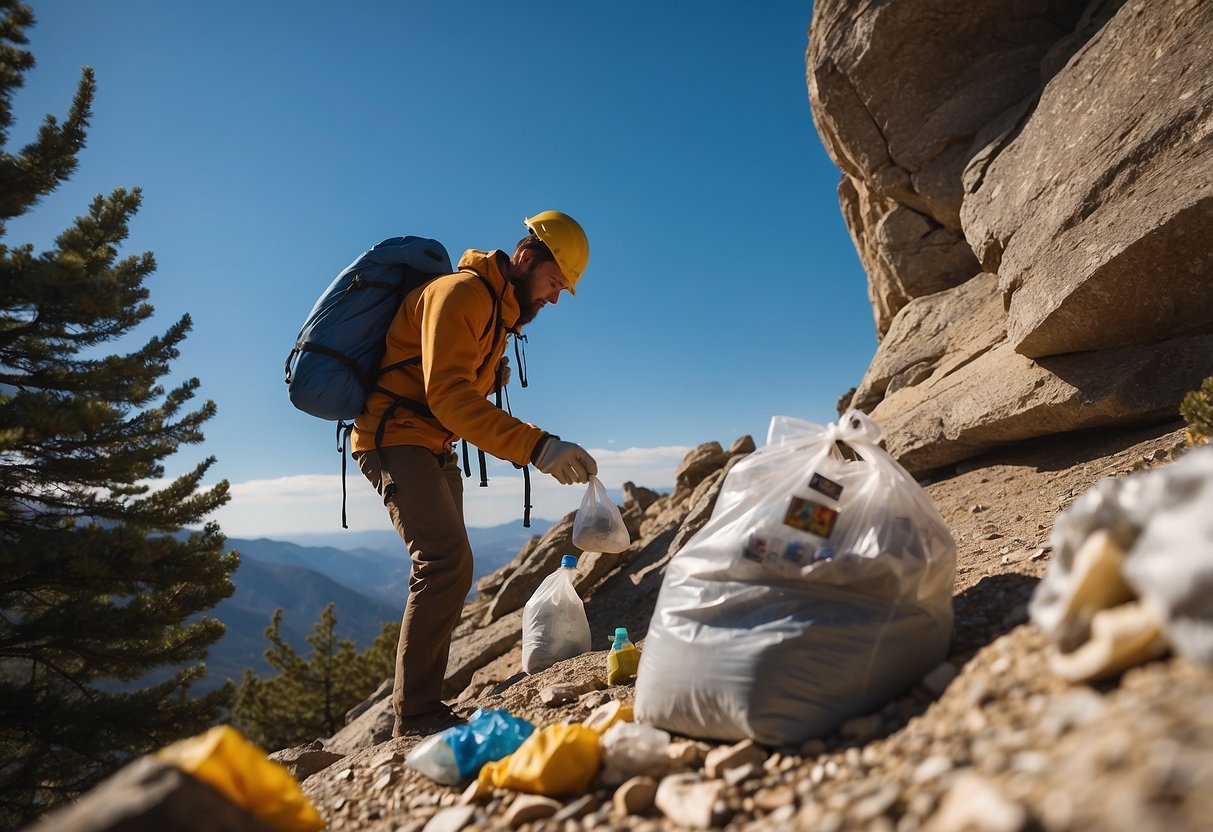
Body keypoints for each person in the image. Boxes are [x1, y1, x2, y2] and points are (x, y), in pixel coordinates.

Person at [351, 210, 599, 738]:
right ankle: (415, 716)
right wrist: (539, 446)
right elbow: (448, 397)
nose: (555, 298)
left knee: (453, 568)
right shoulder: (460, 295)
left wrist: (490, 372)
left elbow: (448, 388)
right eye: (555, 282)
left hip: (429, 443)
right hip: (394, 439)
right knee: (443, 561)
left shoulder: (494, 315)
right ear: (527, 259)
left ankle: (424, 706)